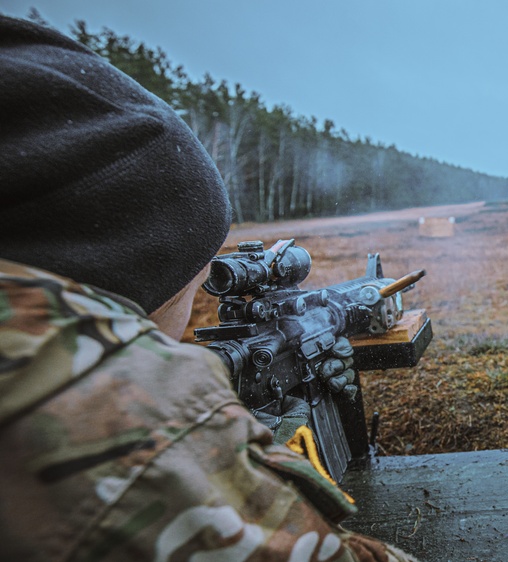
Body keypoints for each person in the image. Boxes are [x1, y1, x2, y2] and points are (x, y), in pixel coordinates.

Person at [0, 15, 416, 562]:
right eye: (195, 293)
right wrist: (226, 441)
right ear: (126, 285)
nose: (198, 315)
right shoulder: (89, 411)